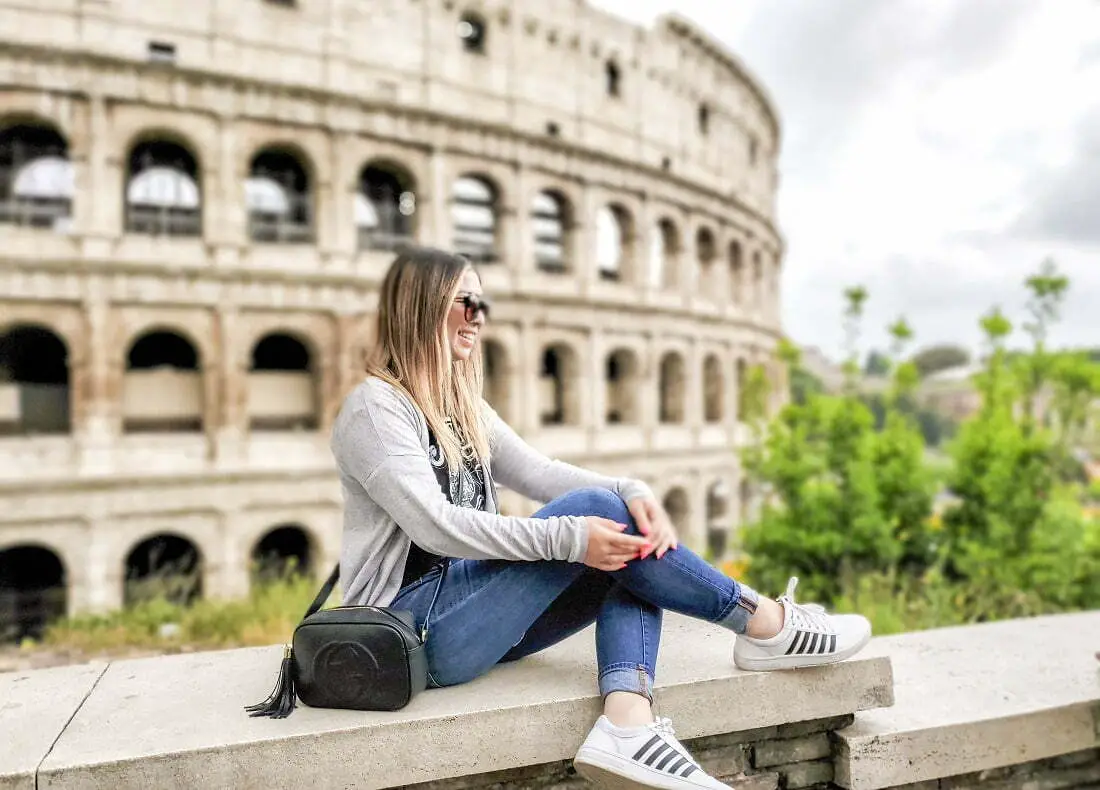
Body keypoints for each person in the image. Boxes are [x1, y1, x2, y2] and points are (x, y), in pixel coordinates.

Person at [330, 246, 872, 790]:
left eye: (481, 303)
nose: (477, 315)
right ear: (419, 307)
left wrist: (633, 491)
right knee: (600, 522)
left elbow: (539, 473)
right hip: (411, 630)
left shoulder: (459, 402)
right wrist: (571, 537)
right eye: (462, 301)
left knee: (626, 544)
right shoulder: (376, 409)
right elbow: (434, 526)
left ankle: (628, 723)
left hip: (479, 621)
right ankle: (763, 623)